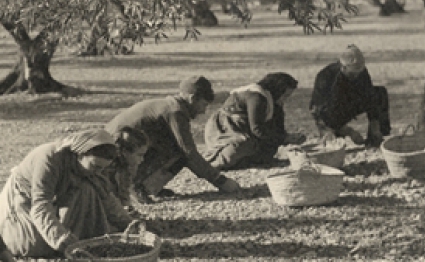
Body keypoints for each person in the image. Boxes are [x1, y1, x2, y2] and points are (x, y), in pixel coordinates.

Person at [0, 130, 138, 259]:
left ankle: (82, 241)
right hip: (24, 201)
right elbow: (41, 205)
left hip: (54, 202)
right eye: (95, 166)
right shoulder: (49, 159)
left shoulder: (92, 169)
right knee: (34, 246)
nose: (98, 172)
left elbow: (106, 198)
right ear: (80, 155)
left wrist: (129, 224)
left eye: (102, 168)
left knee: (89, 189)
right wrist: (59, 237)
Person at [104, 76, 241, 203]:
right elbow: (189, 153)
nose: (203, 111)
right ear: (192, 99)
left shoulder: (170, 106)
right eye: (203, 105)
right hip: (115, 153)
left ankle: (149, 185)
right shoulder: (176, 112)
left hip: (115, 149)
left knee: (173, 148)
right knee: (180, 155)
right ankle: (138, 187)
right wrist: (220, 181)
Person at [204, 73, 307, 170]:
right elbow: (257, 129)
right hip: (226, 130)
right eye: (285, 95)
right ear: (278, 90)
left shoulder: (272, 100)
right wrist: (283, 139)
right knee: (243, 145)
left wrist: (288, 137)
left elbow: (277, 127)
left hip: (243, 130)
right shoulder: (256, 97)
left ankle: (244, 162)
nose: (285, 99)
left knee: (267, 151)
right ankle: (215, 162)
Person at [310, 44, 391, 147]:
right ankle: (334, 132)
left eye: (358, 73)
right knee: (331, 139)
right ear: (343, 67)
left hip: (350, 104)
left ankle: (376, 136)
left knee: (380, 93)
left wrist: (375, 124)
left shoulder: (361, 73)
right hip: (330, 112)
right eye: (352, 74)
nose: (356, 76)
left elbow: (370, 97)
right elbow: (317, 110)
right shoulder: (326, 77)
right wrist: (348, 131)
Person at [104, 127, 151, 209]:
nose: (142, 159)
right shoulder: (107, 167)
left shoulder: (126, 167)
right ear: (125, 152)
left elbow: (124, 194)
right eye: (139, 155)